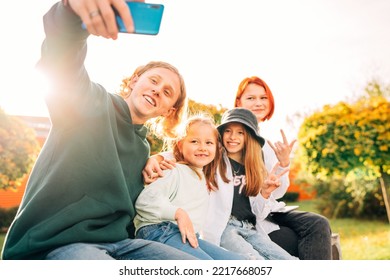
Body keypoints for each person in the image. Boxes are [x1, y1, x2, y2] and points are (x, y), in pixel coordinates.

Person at [1, 0, 196, 260]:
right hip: (56, 242)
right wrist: (71, 11)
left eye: (166, 92)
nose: (156, 90)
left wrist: (152, 162)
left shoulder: (143, 148)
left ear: (167, 111)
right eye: (153, 80)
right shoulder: (90, 103)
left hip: (121, 245)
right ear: (135, 80)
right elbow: (61, 60)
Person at [143, 109, 297, 260]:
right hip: (225, 227)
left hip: (250, 227)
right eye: (228, 131)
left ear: (248, 137)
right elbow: (183, 151)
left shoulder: (254, 167)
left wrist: (266, 191)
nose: (232, 137)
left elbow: (259, 211)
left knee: (287, 260)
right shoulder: (214, 158)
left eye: (240, 133)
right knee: (254, 262)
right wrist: (156, 159)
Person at [234, 76, 332, 259]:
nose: (258, 103)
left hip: (271, 211)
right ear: (238, 102)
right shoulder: (231, 140)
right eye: (251, 98)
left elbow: (277, 193)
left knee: (318, 224)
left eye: (263, 98)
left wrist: (284, 164)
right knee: (293, 239)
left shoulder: (267, 145)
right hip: (248, 217)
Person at [134, 115, 247, 260]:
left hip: (186, 235)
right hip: (158, 231)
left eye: (209, 143)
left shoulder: (203, 176)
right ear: (181, 145)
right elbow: (145, 201)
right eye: (194, 141)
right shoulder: (172, 169)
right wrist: (178, 213)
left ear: (217, 148)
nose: (202, 148)